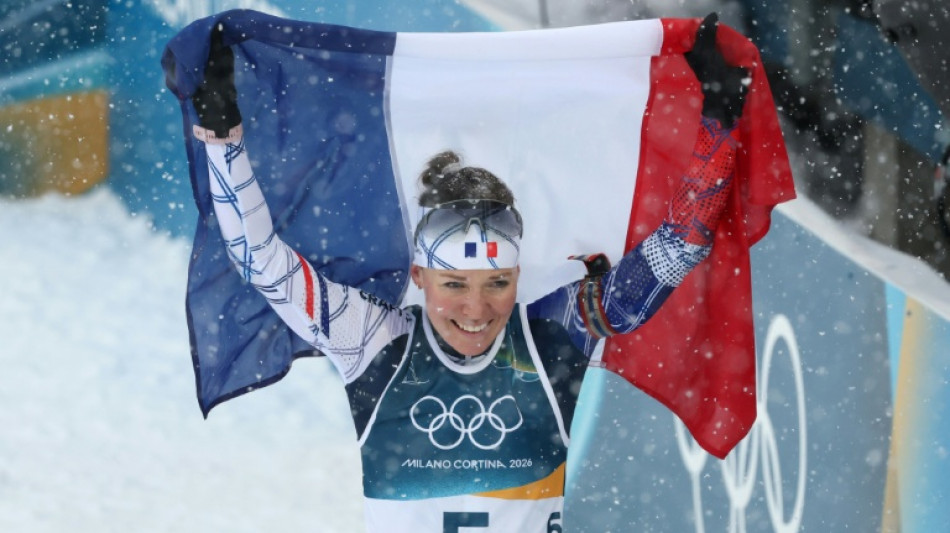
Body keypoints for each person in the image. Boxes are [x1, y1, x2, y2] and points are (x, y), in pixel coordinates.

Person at [190, 13, 746, 533]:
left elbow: (677, 249)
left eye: (497, 284)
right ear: (420, 276)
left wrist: (716, 129)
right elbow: (259, 258)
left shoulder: (550, 335)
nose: (476, 311)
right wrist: (223, 140)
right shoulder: (374, 340)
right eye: (454, 285)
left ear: (518, 275)